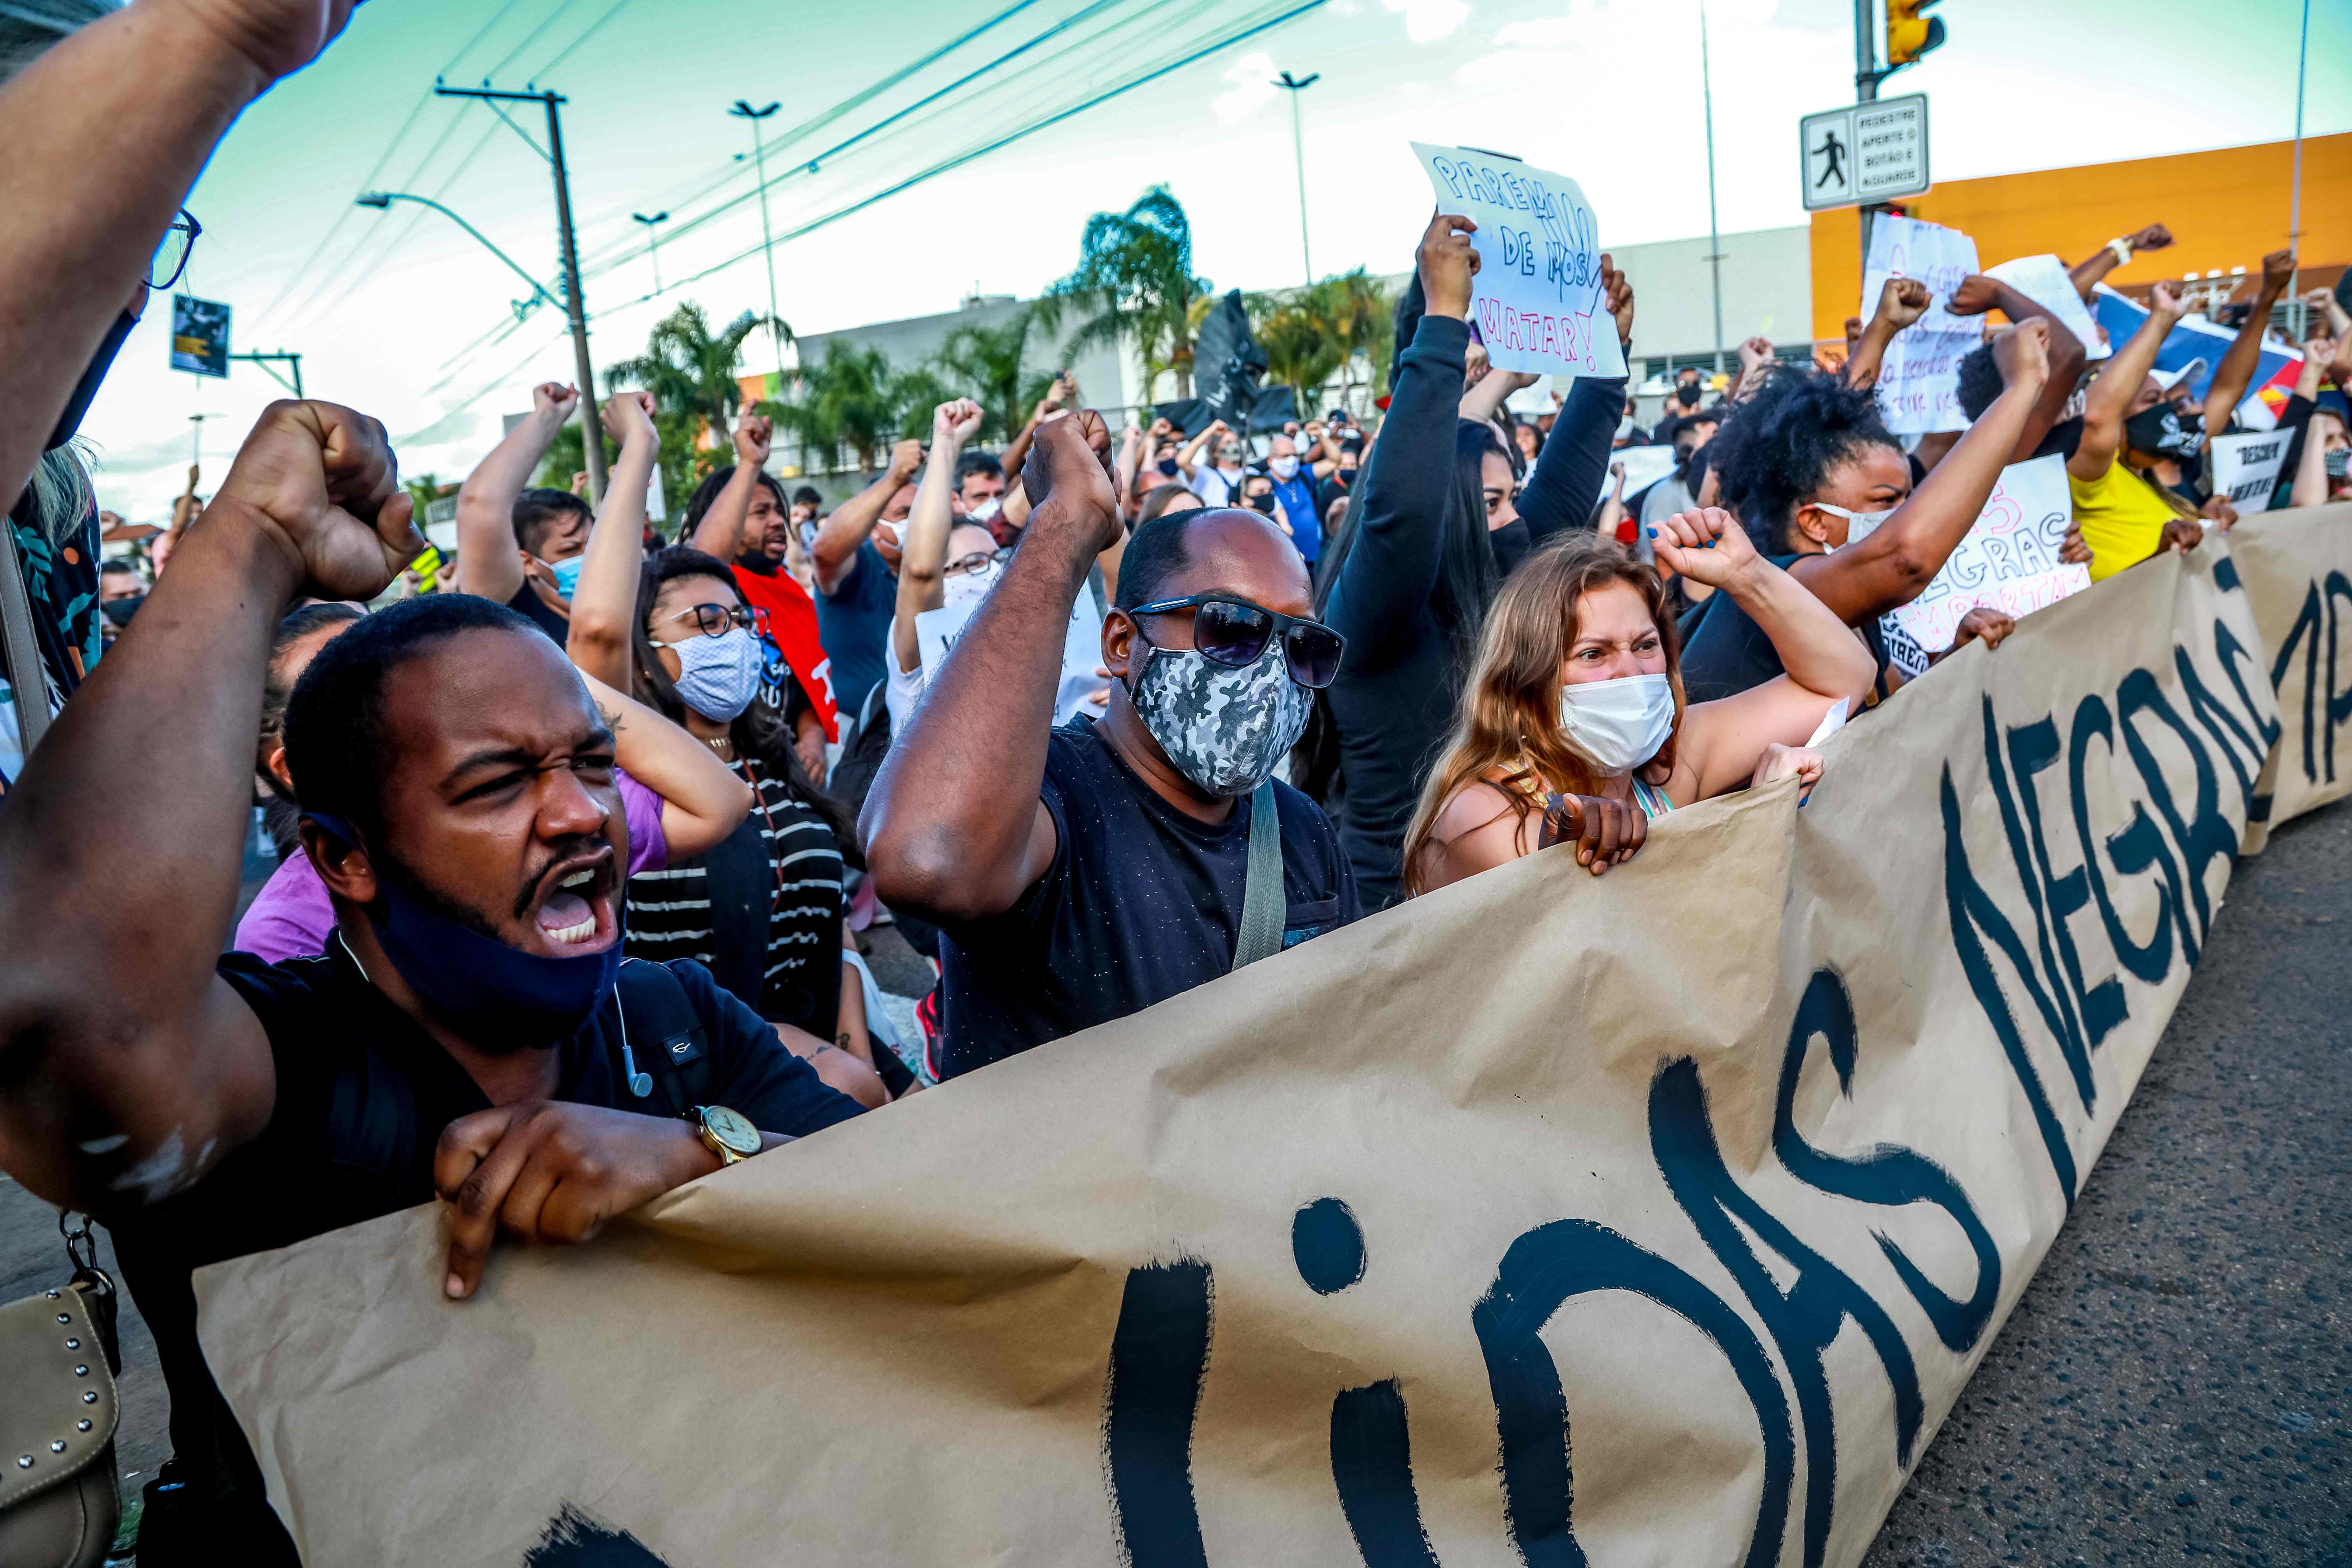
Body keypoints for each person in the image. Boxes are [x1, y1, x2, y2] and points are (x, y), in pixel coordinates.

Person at [0, 399, 862, 1558]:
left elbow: (900, 1232)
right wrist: (252, 538)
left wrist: (701, 1166)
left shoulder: (679, 1026)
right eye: (496, 784)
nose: (577, 815)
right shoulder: (278, 1079)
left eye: (593, 764)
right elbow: (75, 1032)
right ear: (345, 859)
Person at [860, 417, 1358, 1078]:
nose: (1269, 666)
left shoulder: (1301, 830)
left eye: (1303, 645)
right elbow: (924, 860)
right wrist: (1066, 522)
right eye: (1233, 627)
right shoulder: (1044, 797)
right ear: (1124, 645)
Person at [1309, 210, 1629, 909]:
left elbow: (1563, 501)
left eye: (1513, 495)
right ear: (1450, 514)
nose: (1514, 519)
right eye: (1491, 503)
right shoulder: (1375, 622)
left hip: (1505, 906)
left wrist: (1604, 361)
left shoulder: (1497, 578)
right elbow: (1403, 514)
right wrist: (1444, 319)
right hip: (1397, 928)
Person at [233, 586, 751, 965]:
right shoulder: (285, 931)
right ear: (293, 767)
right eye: (348, 684)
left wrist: (531, 669)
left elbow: (719, 802)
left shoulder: (562, 814)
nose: (575, 817)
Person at [1407, 516, 1874, 893]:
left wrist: (1745, 575)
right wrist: (1756, 825)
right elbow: (1589, 940)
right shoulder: (1484, 810)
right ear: (1526, 682)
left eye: (1646, 646)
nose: (1631, 673)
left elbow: (1842, 681)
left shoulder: (1669, 760)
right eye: (1594, 654)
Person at [1682, 318, 2062, 702]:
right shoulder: (1779, 588)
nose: (1905, 514)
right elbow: (1905, 558)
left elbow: (1898, 712)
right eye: (1885, 501)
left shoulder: (1860, 617)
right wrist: (2022, 385)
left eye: (1909, 498)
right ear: (1815, 521)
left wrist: (1955, 654)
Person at [2022, 278, 2213, 581]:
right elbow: (2097, 417)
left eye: (2167, 402)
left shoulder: (2147, 482)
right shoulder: (2093, 478)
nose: (2166, 412)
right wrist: (2161, 318)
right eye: (2153, 401)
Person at [681, 411, 840, 741]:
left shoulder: (787, 590)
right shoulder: (710, 588)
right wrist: (749, 464)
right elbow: (700, 564)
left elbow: (808, 674)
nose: (777, 522)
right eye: (759, 513)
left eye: (778, 511)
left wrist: (812, 733)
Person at [883, 399, 1018, 738]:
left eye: (998, 562)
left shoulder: (1019, 641)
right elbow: (921, 570)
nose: (991, 575)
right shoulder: (917, 646)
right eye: (973, 564)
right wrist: (946, 442)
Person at [451, 380, 595, 643]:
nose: (590, 559)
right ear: (528, 561)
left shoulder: (627, 605)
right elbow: (481, 502)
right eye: (570, 550)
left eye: (594, 544)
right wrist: (548, 415)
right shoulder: (513, 615)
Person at [809, 437, 920, 721]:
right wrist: (894, 478)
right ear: (872, 528)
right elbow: (824, 553)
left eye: (922, 511)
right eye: (904, 514)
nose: (919, 521)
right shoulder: (859, 567)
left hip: (919, 732)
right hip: (858, 735)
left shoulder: (941, 568)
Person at [1264, 430, 1322, 565]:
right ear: (1270, 460)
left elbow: (1335, 460)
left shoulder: (1303, 475)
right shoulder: (1264, 485)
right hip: (1285, 561)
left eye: (1294, 455)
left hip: (1313, 556)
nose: (1291, 460)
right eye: (1285, 456)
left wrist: (1320, 435)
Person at [1183, 419, 1251, 507]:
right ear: (1215, 451)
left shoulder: (1252, 472)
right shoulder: (1206, 475)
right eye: (1228, 443)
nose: (1235, 446)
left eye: (1237, 441)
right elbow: (1182, 462)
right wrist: (1210, 431)